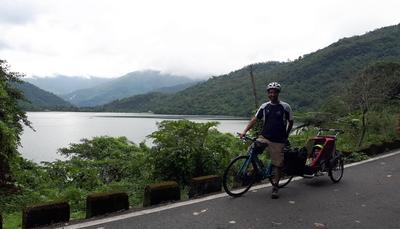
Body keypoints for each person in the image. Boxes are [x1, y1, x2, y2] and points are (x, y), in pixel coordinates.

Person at [240, 82, 294, 199]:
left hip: (278, 139)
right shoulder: (265, 106)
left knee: (278, 164)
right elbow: (255, 119)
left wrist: (286, 135)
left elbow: (291, 121)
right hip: (264, 136)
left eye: (274, 92)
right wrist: (245, 131)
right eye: (270, 92)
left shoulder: (285, 107)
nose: (272, 94)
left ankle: (275, 186)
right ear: (268, 94)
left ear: (278, 93)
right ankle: (256, 171)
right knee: (252, 150)